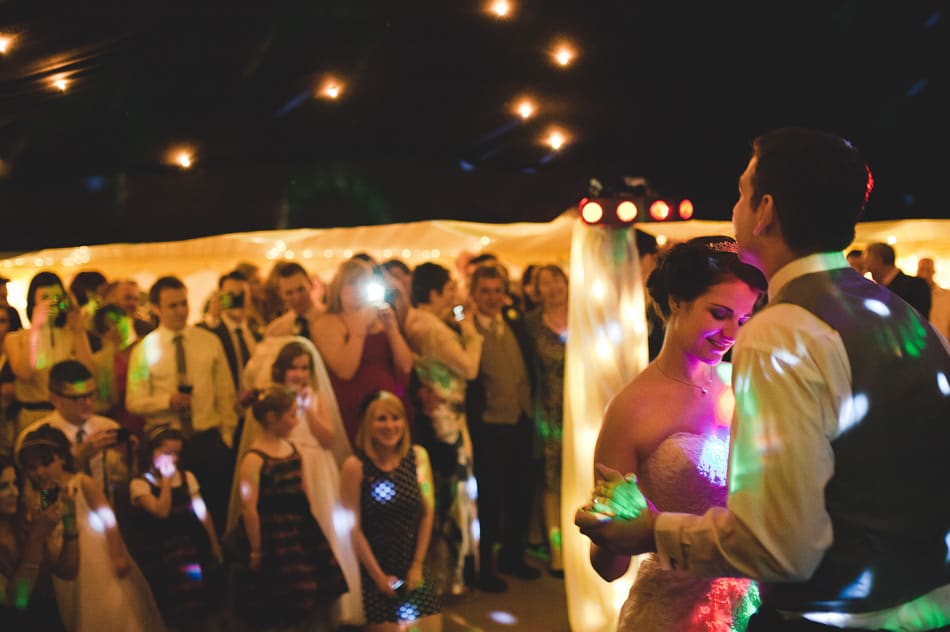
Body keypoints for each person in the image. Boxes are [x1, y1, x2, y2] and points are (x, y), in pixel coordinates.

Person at [576, 128, 950, 631]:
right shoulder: (900, 314)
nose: (733, 331)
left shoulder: (785, 331)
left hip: (830, 615)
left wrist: (653, 532)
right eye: (719, 312)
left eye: (740, 192)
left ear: (764, 210)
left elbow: (780, 547)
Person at [584, 238, 766, 630]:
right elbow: (607, 567)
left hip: (751, 606)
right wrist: (618, 524)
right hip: (673, 615)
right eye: (719, 313)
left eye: (744, 319)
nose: (732, 332)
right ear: (676, 301)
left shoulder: (740, 384)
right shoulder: (631, 407)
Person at [228, 336, 362, 628]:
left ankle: (332, 605)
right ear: (281, 371)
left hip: (316, 466)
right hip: (283, 470)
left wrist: (309, 410)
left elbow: (328, 438)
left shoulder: (315, 396)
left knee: (326, 531)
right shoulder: (270, 403)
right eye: (294, 368)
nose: (300, 374)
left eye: (305, 368)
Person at [18, 424, 164, 631]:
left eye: (46, 463)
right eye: (32, 468)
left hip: (97, 555)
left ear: (61, 457)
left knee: (111, 606)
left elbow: (107, 517)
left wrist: (116, 554)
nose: (40, 472)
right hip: (65, 559)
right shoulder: (41, 495)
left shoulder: (81, 481)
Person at [126, 275, 238, 535]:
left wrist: (227, 437)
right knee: (180, 523)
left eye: (183, 303)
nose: (181, 311)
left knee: (217, 513)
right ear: (156, 308)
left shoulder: (208, 341)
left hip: (208, 439)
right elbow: (133, 401)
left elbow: (225, 393)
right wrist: (166, 401)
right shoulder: (144, 350)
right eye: (172, 305)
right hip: (168, 443)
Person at [404, 261, 482, 596]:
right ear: (434, 291)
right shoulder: (433, 328)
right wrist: (471, 332)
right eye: (449, 288)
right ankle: (449, 576)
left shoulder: (416, 321)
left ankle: (443, 574)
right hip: (446, 423)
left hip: (437, 418)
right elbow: (469, 367)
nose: (454, 295)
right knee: (453, 495)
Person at [340, 390, 442, 632]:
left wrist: (417, 565)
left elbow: (428, 512)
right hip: (375, 570)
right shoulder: (355, 467)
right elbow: (352, 528)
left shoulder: (418, 457)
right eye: (381, 419)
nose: (390, 426)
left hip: (413, 564)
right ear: (368, 424)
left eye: (396, 418)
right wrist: (378, 577)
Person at [465, 263, 539, 592]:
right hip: (489, 426)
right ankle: (485, 568)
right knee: (490, 500)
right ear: (474, 294)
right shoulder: (466, 331)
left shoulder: (514, 322)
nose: (493, 297)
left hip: (522, 421)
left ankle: (513, 556)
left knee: (520, 494)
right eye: (485, 291)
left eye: (497, 291)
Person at [129, 425, 222, 631]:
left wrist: (214, 544)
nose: (173, 459)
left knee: (196, 603)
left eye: (176, 453)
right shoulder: (140, 484)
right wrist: (166, 482)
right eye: (166, 453)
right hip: (160, 551)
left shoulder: (187, 477)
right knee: (169, 605)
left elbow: (202, 512)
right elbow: (161, 511)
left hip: (189, 547)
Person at [313, 258, 413, 446]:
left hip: (389, 408)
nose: (357, 289)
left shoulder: (381, 320)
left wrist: (392, 328)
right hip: (354, 410)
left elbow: (406, 366)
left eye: (363, 283)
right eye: (351, 283)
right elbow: (345, 371)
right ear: (339, 289)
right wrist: (359, 329)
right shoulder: (327, 323)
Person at [524, 263, 571, 578]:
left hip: (580, 411)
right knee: (551, 483)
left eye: (557, 280)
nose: (552, 288)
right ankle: (557, 552)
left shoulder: (585, 315)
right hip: (549, 415)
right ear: (536, 291)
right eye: (545, 283)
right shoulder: (530, 324)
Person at [3, 271, 95, 434]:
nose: (52, 303)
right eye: (45, 298)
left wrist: (78, 330)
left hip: (69, 415)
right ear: (33, 302)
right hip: (33, 414)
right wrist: (36, 329)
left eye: (57, 297)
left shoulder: (71, 334)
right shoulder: (15, 338)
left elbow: (87, 372)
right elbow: (25, 373)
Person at [0, 453, 79, 631]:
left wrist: (69, 520)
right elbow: (16, 601)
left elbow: (67, 571)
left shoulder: (22, 524)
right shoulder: (33, 531)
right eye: (3, 486)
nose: (14, 492)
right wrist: (37, 537)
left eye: (15, 484)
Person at [864, 242, 932, 318]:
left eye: (868, 262)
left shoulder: (917, 286)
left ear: (878, 260)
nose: (866, 268)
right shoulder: (874, 290)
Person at [917, 257, 950, 341]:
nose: (924, 274)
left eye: (928, 270)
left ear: (933, 272)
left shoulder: (946, 296)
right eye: (922, 269)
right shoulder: (910, 294)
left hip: (941, 343)